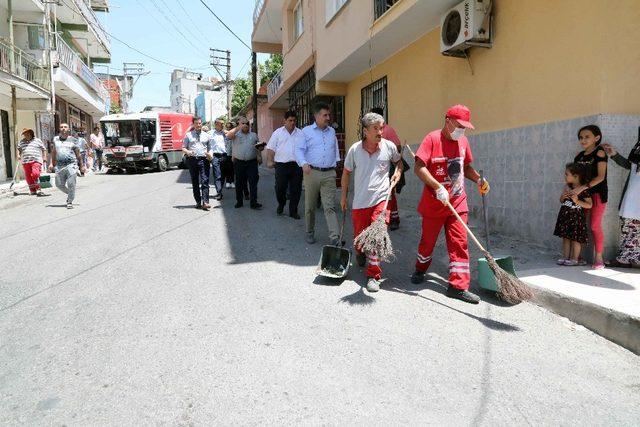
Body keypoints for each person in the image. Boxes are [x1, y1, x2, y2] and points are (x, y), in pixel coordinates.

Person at [410, 105, 490, 304]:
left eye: (465, 127)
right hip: (434, 203)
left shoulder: (463, 141)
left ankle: (458, 286)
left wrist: (479, 180)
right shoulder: (432, 139)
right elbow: (419, 168)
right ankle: (420, 268)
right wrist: (437, 187)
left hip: (457, 201)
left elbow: (466, 167)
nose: (461, 130)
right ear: (448, 120)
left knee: (459, 243)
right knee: (427, 243)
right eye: (459, 125)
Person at [341, 112, 402, 292]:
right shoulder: (354, 150)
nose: (380, 132)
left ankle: (373, 274)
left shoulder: (389, 147)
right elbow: (346, 173)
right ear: (365, 131)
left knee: (376, 237)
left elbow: (399, 163)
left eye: (381, 127)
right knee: (360, 239)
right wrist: (343, 196)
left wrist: (397, 172)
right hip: (360, 203)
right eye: (376, 128)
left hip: (381, 200)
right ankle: (360, 252)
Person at [296, 102, 341, 245]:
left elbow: (335, 148)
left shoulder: (332, 132)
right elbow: (298, 150)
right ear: (316, 116)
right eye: (325, 115)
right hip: (312, 173)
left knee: (329, 206)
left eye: (329, 115)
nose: (328, 117)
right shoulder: (306, 131)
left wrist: (336, 163)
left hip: (329, 173)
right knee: (310, 206)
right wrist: (303, 163)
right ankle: (310, 232)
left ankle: (335, 237)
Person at [570, 125, 608, 269]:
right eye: (581, 137)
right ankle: (577, 256)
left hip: (598, 194)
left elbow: (601, 177)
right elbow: (574, 177)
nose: (583, 140)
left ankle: (599, 259)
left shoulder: (599, 153)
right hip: (580, 196)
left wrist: (582, 187)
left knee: (594, 225)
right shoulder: (578, 156)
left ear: (596, 138)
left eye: (587, 137)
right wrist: (570, 190)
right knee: (579, 224)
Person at [602, 139, 640, 268]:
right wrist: (614, 154)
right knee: (628, 226)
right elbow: (631, 165)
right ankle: (625, 258)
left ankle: (631, 259)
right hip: (631, 196)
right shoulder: (638, 147)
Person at [370, 107, 405, 230]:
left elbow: (398, 146)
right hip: (374, 167)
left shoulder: (388, 130)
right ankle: (379, 217)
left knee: (390, 193)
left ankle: (394, 219)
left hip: (388, 166)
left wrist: (391, 158)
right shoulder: (370, 130)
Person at [266, 111, 304, 219]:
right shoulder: (278, 133)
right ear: (285, 121)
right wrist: (269, 160)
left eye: (294, 121)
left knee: (296, 189)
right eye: (290, 120)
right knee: (280, 188)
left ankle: (293, 211)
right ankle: (281, 204)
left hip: (297, 166)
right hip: (281, 165)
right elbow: (271, 148)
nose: (292, 123)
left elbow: (305, 149)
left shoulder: (300, 133)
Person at [554, 163, 593, 266]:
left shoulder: (583, 190)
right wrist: (562, 197)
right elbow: (561, 201)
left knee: (576, 239)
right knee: (565, 238)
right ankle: (565, 257)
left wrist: (577, 201)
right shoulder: (567, 187)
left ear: (576, 176)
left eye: (567, 174)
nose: (565, 176)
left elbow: (589, 205)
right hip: (565, 216)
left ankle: (575, 259)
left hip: (576, 218)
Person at [226, 117, 262, 209]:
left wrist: (259, 155)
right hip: (239, 162)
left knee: (253, 182)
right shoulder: (236, 134)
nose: (246, 125)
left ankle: (253, 203)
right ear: (240, 124)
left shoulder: (254, 135)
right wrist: (238, 127)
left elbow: (258, 147)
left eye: (247, 124)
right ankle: (239, 202)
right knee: (239, 183)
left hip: (252, 163)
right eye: (243, 124)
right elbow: (228, 136)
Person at [50, 123, 85, 209]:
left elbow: (78, 154)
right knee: (58, 184)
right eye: (61, 127)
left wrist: (81, 166)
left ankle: (70, 201)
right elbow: (54, 153)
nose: (63, 128)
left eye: (65, 127)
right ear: (59, 129)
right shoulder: (55, 140)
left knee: (71, 184)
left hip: (71, 164)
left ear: (69, 129)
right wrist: (51, 164)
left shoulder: (73, 140)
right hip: (59, 165)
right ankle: (71, 193)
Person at [182, 117, 213, 210]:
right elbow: (183, 147)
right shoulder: (188, 135)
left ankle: (205, 202)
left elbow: (210, 148)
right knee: (195, 182)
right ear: (193, 124)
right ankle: (198, 202)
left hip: (204, 160)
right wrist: (188, 152)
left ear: (201, 124)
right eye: (196, 123)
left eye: (200, 123)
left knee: (205, 181)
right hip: (192, 160)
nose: (198, 125)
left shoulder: (207, 136)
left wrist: (210, 154)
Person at [17, 128, 47, 196]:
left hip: (36, 160)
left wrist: (44, 157)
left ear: (31, 133)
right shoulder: (21, 142)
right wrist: (18, 155)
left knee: (35, 173)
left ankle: (38, 188)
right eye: (24, 134)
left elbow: (44, 149)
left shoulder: (37, 140)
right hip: (25, 161)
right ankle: (32, 190)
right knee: (28, 177)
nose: (26, 135)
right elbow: (19, 149)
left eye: (27, 133)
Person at [209, 119, 228, 201]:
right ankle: (219, 192)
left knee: (223, 175)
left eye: (223, 124)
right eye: (221, 124)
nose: (223, 125)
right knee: (217, 174)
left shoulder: (225, 133)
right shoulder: (210, 133)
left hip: (224, 156)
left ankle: (220, 190)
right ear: (216, 124)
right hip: (215, 156)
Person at [222, 121, 236, 189]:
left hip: (233, 153)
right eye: (227, 127)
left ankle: (232, 181)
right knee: (227, 168)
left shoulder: (234, 134)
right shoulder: (224, 134)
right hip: (226, 153)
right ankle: (227, 181)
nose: (228, 128)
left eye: (230, 127)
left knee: (232, 168)